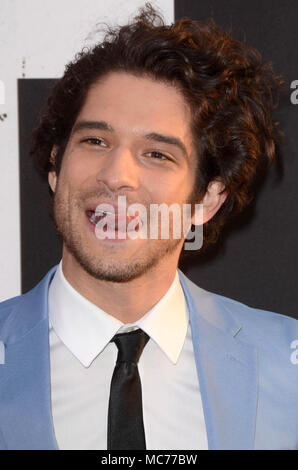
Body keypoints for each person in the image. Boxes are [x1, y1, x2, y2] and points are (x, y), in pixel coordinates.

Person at [0, 4, 297, 450]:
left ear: (206, 200)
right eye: (95, 140)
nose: (117, 174)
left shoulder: (286, 365)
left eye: (157, 154)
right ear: (56, 167)